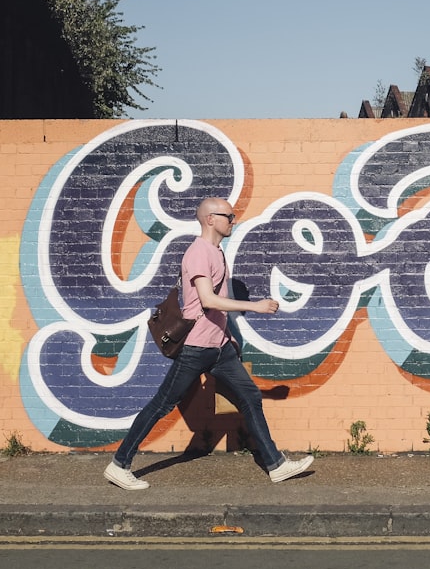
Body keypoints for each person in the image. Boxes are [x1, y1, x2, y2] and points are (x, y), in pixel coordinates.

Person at [104, 197, 314, 490]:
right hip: (196, 347)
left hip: (219, 349)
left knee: (250, 396)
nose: (234, 220)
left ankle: (275, 465)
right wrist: (255, 306)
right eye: (229, 216)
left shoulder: (216, 252)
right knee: (162, 404)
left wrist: (227, 337)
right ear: (210, 219)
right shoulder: (198, 253)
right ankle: (119, 464)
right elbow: (207, 300)